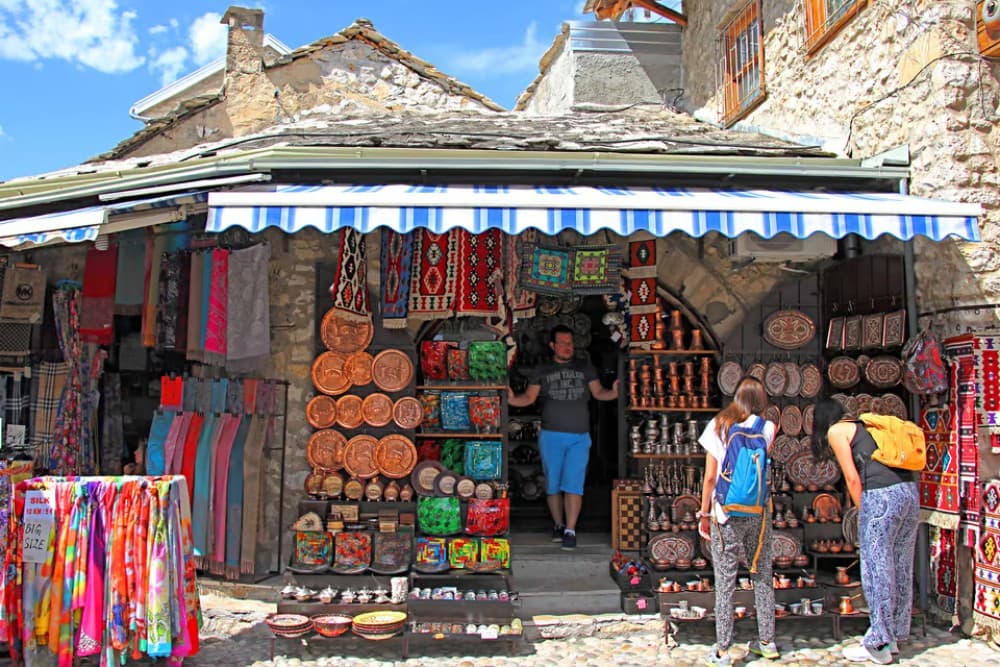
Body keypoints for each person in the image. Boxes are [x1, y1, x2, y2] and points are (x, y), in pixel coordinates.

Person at [812, 399, 919, 665]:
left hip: (881, 497)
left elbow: (851, 478)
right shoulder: (867, 426)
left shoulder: (836, 431)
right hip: (908, 493)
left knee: (876, 568)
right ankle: (893, 637)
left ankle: (878, 643)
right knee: (900, 566)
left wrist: (863, 511)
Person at [508, 324, 618, 550]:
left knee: (574, 484)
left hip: (579, 436)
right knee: (553, 485)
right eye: (563, 343)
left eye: (570, 343)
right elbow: (529, 398)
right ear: (552, 345)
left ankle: (570, 529)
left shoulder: (585, 367)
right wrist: (510, 399)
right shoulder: (542, 369)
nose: (568, 347)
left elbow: (598, 393)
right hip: (551, 436)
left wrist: (615, 392)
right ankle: (558, 524)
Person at [697, 377, 779, 666]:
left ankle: (723, 649)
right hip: (758, 512)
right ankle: (767, 642)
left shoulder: (719, 425)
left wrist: (704, 514)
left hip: (726, 513)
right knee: (762, 574)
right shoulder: (768, 428)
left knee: (725, 579)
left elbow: (710, 478)